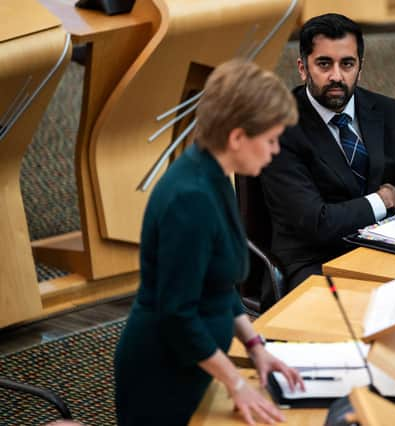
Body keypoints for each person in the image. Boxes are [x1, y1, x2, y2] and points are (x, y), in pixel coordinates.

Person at [114, 59, 304, 426]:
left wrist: (255, 347)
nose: (276, 150)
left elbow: (215, 286)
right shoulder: (192, 198)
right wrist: (235, 381)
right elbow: (177, 314)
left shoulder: (216, 172)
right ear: (237, 138)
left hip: (199, 361)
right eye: (270, 140)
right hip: (163, 373)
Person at [260, 13, 395, 298]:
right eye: (324, 64)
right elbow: (317, 223)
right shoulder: (279, 127)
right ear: (303, 68)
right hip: (315, 262)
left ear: (360, 68)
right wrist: (381, 201)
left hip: (385, 249)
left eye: (347, 64)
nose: (336, 76)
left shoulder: (390, 112)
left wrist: (376, 234)